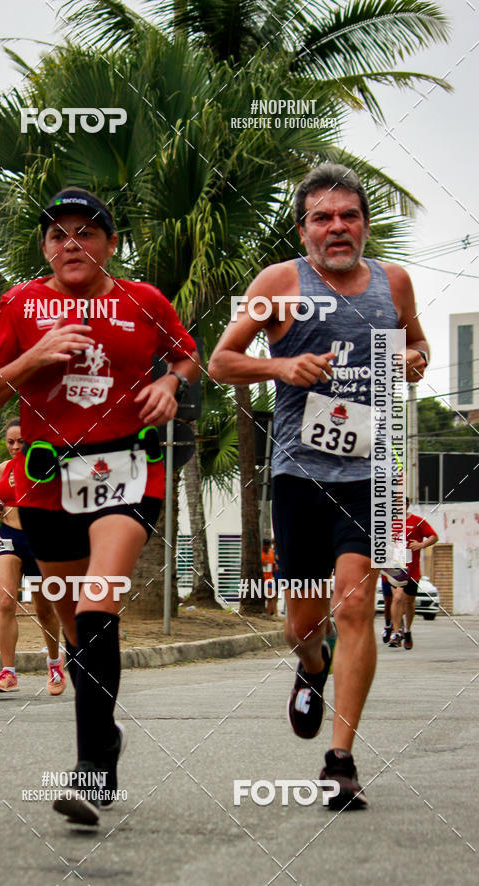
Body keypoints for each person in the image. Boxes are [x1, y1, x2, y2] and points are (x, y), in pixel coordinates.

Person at [209, 163, 429, 810]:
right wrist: (280, 363)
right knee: (304, 624)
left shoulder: (394, 282)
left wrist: (415, 360)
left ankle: (341, 760)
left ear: (364, 223)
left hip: (370, 472)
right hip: (299, 474)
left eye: (349, 216)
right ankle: (311, 667)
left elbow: (415, 348)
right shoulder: (280, 282)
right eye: (323, 218)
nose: (338, 228)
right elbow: (222, 359)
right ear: (304, 229)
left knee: (357, 606)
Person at [0, 187, 200, 825]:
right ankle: (106, 736)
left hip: (128, 472)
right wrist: (34, 357)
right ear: (44, 247)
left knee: (98, 598)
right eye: (57, 235)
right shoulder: (21, 304)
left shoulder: (143, 300)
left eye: (85, 232)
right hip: (48, 481)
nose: (70, 245)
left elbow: (188, 355)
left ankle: (92, 772)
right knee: (76, 627)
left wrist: (166, 381)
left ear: (109, 242)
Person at [0, 418, 66, 695]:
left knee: (44, 609)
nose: (15, 446)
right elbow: (1, 498)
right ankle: (8, 673)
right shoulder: (3, 468)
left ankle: (55, 663)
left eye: (21, 441)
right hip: (8, 536)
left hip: (39, 539)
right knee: (6, 601)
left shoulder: (47, 465)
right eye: (10, 442)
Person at [386, 499, 438, 649]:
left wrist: (421, 544)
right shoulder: (389, 523)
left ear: (406, 506)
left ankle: (407, 630)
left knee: (409, 602)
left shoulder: (418, 521)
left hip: (412, 570)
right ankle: (396, 634)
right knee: (397, 597)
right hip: (395, 567)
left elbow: (434, 536)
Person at [261, 538, 276, 616]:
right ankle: (267, 612)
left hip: (269, 578)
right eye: (265, 545)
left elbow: (273, 562)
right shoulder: (259, 553)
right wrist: (262, 563)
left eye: (268, 545)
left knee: (271, 597)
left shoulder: (272, 552)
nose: (266, 547)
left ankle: (269, 614)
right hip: (261, 578)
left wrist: (275, 565)